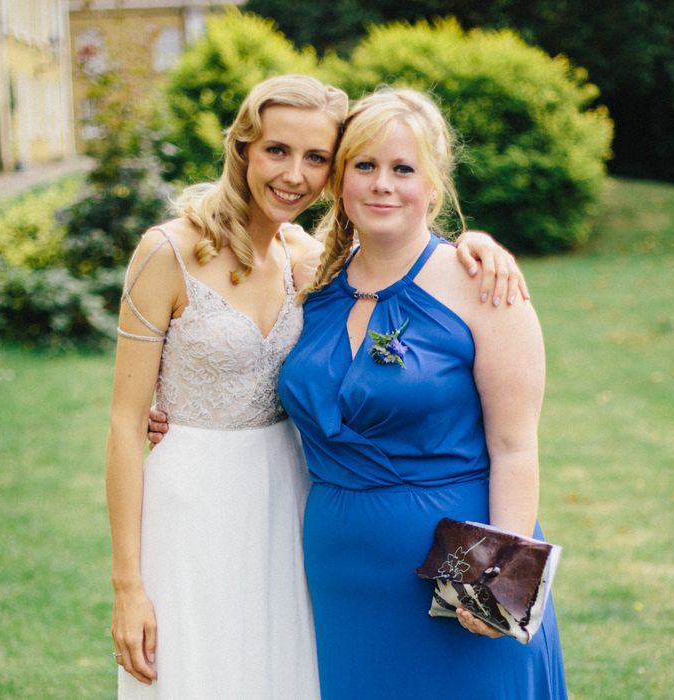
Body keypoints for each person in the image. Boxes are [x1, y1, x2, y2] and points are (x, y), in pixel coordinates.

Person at [108, 74, 528, 699]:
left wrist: (476, 243)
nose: (294, 175)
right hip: (193, 502)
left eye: (316, 158)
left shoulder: (309, 260)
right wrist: (127, 587)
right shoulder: (167, 251)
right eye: (277, 150)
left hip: (291, 499)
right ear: (243, 148)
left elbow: (405, 248)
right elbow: (123, 421)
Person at [276, 88, 567, 698]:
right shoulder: (308, 277)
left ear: (433, 186)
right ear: (339, 181)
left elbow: (515, 446)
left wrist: (501, 577)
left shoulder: (482, 285)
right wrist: (174, 413)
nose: (383, 184)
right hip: (342, 571)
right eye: (365, 166)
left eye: (403, 168)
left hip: (461, 565)